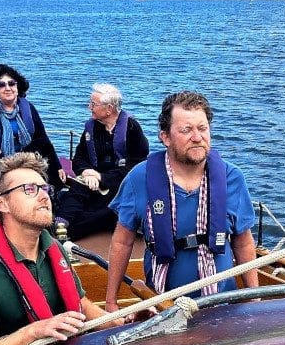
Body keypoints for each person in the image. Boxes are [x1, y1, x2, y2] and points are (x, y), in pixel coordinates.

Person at [0, 152, 115, 345]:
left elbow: (81, 305)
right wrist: (33, 332)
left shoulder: (55, 250)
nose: (44, 196)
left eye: (45, 188)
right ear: (2, 203)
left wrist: (124, 323)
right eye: (30, 189)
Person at [104, 91, 259, 310]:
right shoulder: (140, 179)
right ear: (165, 137)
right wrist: (111, 302)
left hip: (221, 304)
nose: (197, 137)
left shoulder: (232, 178)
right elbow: (122, 242)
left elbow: (243, 242)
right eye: (186, 130)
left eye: (202, 128)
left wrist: (254, 299)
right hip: (163, 305)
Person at [58, 83, 149, 240]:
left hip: (120, 184)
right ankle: (60, 223)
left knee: (103, 212)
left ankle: (70, 233)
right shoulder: (91, 128)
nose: (89, 107)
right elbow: (80, 158)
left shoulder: (132, 129)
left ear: (109, 109)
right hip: (91, 181)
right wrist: (87, 173)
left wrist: (101, 178)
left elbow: (136, 167)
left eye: (93, 104)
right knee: (76, 191)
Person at [0, 64, 65, 190]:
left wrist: (58, 166)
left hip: (22, 154)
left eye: (11, 84)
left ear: (17, 87)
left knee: (42, 145)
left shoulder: (29, 108)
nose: (7, 88)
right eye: (1, 85)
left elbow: (43, 139)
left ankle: (53, 191)